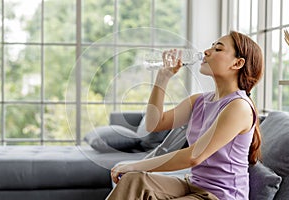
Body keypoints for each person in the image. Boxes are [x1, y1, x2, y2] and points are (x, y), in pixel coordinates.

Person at [106, 31, 264, 200]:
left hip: (220, 196)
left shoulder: (239, 107)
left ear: (237, 63)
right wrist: (162, 78)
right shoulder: (199, 101)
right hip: (193, 184)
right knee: (133, 181)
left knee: (133, 173)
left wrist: (135, 165)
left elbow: (193, 156)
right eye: (211, 46)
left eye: (218, 49)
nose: (206, 52)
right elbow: (153, 124)